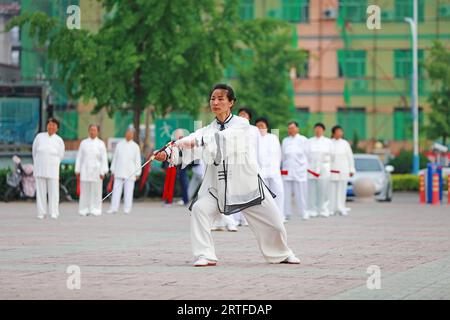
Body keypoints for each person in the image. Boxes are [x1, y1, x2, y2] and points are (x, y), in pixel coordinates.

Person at [154, 83, 300, 267]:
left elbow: (223, 139)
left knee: (275, 222)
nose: (215, 102)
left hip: (247, 185)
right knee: (200, 210)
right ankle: (205, 255)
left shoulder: (242, 125)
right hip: (218, 188)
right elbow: (193, 149)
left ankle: (282, 253)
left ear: (231, 102)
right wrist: (168, 154)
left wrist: (194, 141)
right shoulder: (207, 129)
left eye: (220, 99)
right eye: (212, 99)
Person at [32, 118, 65, 219]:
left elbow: (61, 155)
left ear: (57, 128)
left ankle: (54, 212)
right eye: (50, 124)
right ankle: (41, 212)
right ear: (47, 126)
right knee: (41, 191)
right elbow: (34, 152)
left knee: (54, 192)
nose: (51, 127)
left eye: (54, 125)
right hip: (40, 168)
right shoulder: (39, 137)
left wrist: (54, 163)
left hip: (53, 169)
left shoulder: (59, 140)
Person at [75, 124, 109, 217]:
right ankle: (84, 209)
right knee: (85, 191)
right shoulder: (83, 143)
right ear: (88, 131)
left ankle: (96, 209)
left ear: (97, 132)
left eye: (94, 130)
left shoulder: (101, 144)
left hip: (97, 171)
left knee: (96, 191)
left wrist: (103, 171)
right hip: (85, 170)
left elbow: (104, 159)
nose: (92, 132)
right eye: (91, 130)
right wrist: (77, 170)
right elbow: (79, 157)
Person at [255, 117, 284, 220]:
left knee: (279, 192)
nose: (260, 128)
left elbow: (278, 154)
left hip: (274, 171)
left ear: (266, 127)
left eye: (262, 126)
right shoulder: (254, 139)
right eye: (258, 126)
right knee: (264, 196)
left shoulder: (273, 137)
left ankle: (279, 216)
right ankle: (266, 217)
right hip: (261, 172)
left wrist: (277, 168)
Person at [107, 127, 142, 214]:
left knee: (129, 192)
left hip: (130, 172)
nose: (129, 134)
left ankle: (127, 209)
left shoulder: (135, 146)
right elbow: (115, 158)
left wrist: (138, 173)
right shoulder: (119, 144)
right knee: (116, 191)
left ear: (133, 135)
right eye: (127, 133)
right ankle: (113, 208)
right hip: (119, 171)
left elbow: (137, 160)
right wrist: (113, 170)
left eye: (131, 133)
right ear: (125, 133)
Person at [281, 121, 309, 221]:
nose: (291, 130)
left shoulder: (303, 140)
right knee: (286, 193)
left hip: (299, 171)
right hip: (287, 170)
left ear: (297, 129)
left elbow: (307, 155)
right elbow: (283, 156)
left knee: (301, 193)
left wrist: (304, 168)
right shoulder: (285, 140)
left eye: (292, 128)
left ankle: (304, 212)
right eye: (289, 128)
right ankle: (286, 213)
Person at [306, 123, 332, 218]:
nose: (318, 130)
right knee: (312, 190)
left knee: (324, 189)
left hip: (324, 168)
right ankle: (312, 209)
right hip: (311, 168)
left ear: (323, 130)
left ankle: (324, 209)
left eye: (320, 129)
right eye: (316, 129)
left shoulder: (328, 142)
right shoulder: (309, 141)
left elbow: (332, 156)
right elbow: (306, 155)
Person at [330, 125, 355, 216]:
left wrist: (351, 169)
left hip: (343, 169)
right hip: (332, 170)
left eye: (341, 131)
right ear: (333, 133)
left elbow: (350, 157)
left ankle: (341, 207)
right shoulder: (329, 143)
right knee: (332, 190)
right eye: (338, 131)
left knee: (342, 190)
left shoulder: (345, 143)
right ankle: (332, 208)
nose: (340, 133)